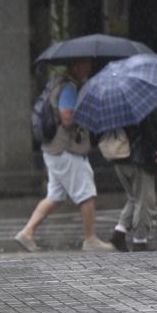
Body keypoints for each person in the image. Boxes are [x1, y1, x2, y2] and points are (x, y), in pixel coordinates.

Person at [14, 59, 116, 253]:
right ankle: (91, 239)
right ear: (77, 66)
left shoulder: (57, 83)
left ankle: (27, 233)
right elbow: (67, 118)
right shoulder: (69, 87)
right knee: (86, 193)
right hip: (66, 149)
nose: (89, 67)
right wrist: (86, 112)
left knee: (55, 196)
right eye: (86, 65)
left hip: (53, 149)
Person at [108, 112, 157, 252]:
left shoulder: (113, 107)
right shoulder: (138, 106)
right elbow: (147, 129)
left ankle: (119, 232)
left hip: (119, 157)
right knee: (144, 200)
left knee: (134, 197)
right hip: (138, 158)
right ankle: (140, 242)